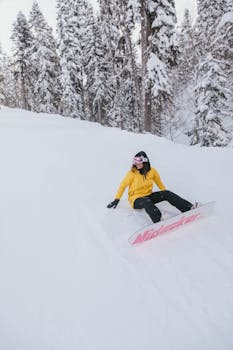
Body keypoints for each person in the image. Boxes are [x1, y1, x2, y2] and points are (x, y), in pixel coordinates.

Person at [107, 151, 195, 223]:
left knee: (167, 193)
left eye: (139, 161)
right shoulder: (132, 173)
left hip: (148, 194)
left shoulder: (152, 171)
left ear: (145, 161)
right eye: (135, 161)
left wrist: (165, 194)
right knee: (146, 201)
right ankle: (158, 219)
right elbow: (123, 186)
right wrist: (117, 199)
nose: (137, 164)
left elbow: (159, 183)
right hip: (136, 199)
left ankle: (189, 208)